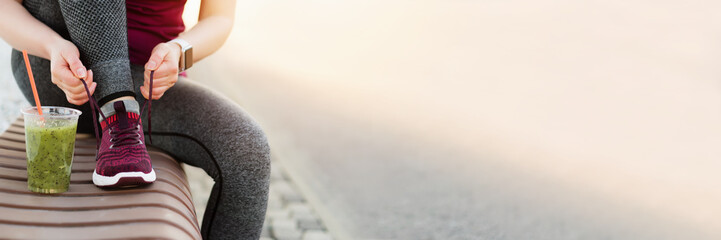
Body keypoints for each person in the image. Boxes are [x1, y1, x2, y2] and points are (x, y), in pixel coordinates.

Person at [0, 0, 271, 239]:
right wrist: (52, 47)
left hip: (147, 82)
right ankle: (119, 114)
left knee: (248, 152)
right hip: (64, 69)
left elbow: (219, 17)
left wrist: (179, 51)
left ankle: (123, 115)